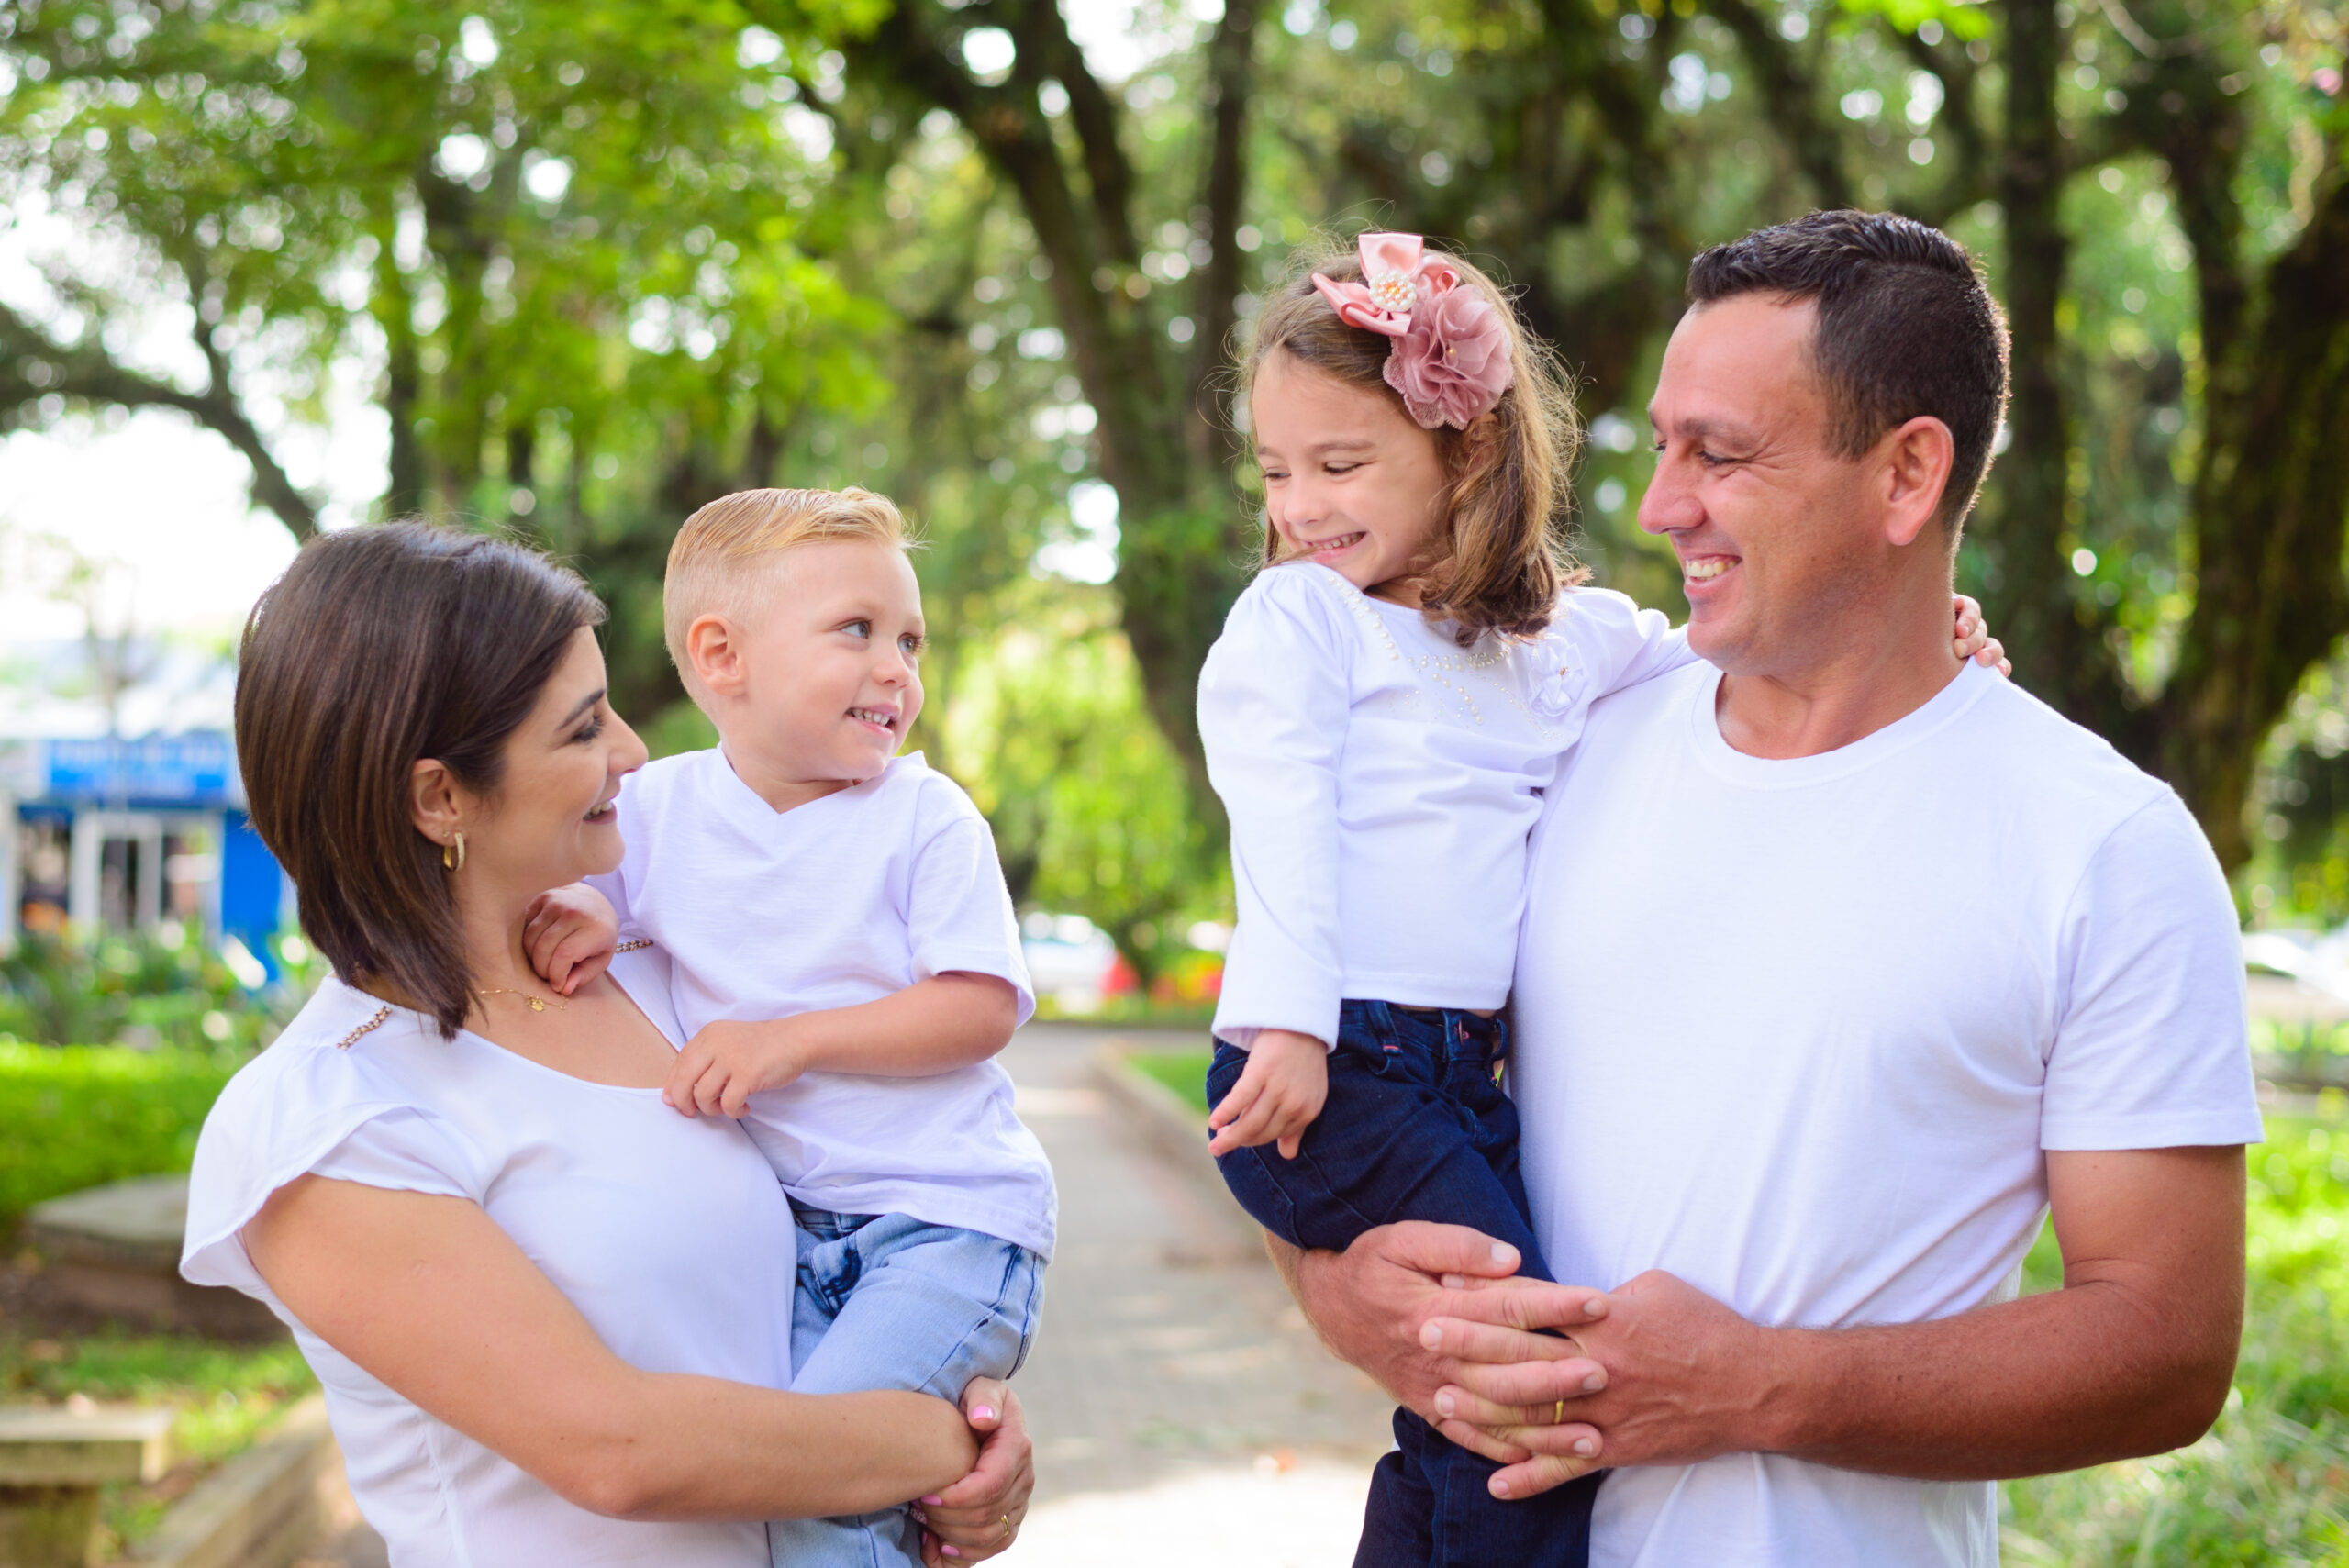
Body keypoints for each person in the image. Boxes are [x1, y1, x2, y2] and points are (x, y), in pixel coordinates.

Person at [1267, 210, 2261, 1568]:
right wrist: (1336, 1291)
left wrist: (1758, 1389)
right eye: (1666, 444)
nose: (1661, 503)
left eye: (1720, 455)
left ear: (1910, 476)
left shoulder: (2104, 849)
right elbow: (1347, 1063)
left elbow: (2166, 1348)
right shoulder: (1564, 737)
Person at [1195, 230, 2004, 1567]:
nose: (1300, 508)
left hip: (1463, 1071)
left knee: (1474, 1396)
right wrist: (1286, 1022)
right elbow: (1276, 817)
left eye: (1341, 467)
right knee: (1527, 1389)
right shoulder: (1303, 623)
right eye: (1277, 471)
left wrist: (1941, 631)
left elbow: (1728, 649)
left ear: (1467, 454)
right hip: (1342, 1057)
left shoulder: (1561, 644)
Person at [182, 523, 1031, 1567]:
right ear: (440, 795)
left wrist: (940, 1415)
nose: (634, 751)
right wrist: (946, 1438)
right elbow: (616, 1448)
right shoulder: (327, 1117)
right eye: (584, 729)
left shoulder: (648, 978)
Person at [521, 487, 1052, 1568]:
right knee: (805, 1495)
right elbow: (602, 903)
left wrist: (787, 1039)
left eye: (910, 637)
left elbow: (980, 1005)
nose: (897, 667)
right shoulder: (661, 810)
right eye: (856, 630)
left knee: (820, 1490)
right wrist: (581, 915)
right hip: (794, 1236)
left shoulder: (924, 815)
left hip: (943, 1223)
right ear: (722, 656)